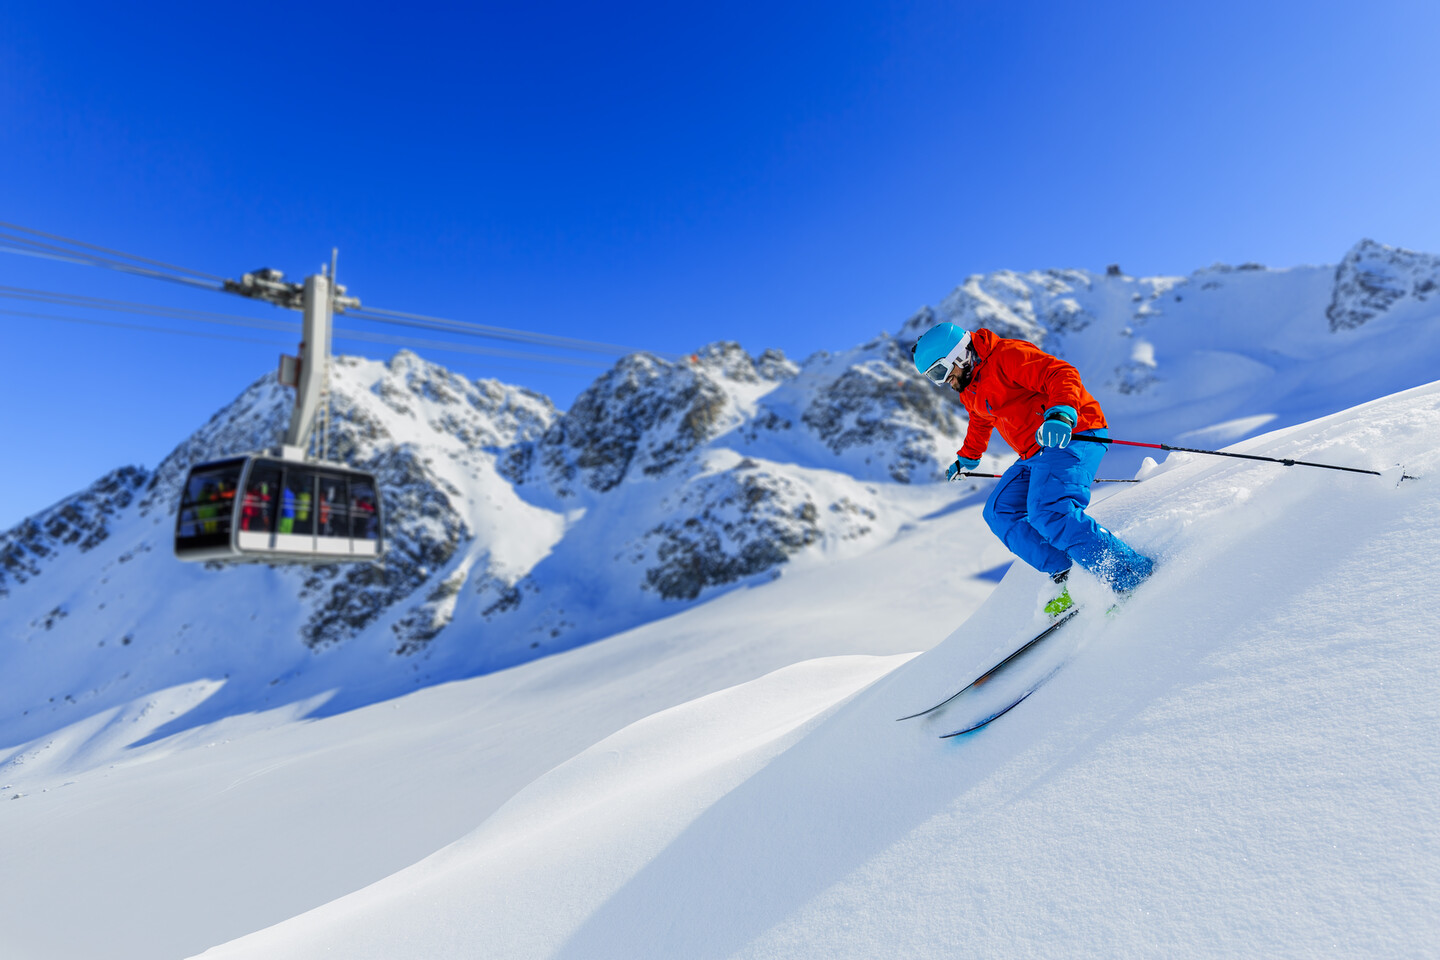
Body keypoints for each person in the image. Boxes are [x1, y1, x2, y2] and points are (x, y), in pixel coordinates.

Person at [912, 321, 1154, 611]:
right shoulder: (969, 387)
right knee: (999, 512)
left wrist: (1061, 413)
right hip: (1034, 451)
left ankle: (1128, 575)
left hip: (1074, 433)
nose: (943, 382)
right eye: (932, 378)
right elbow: (980, 420)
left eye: (940, 372)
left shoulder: (1007, 355)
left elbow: (1061, 374)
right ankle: (1070, 572)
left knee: (1049, 510)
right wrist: (967, 457)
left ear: (958, 355)